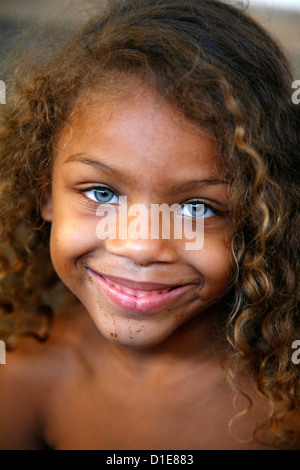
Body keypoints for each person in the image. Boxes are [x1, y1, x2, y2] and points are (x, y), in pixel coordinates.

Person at [0, 0, 299, 450]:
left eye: (196, 208)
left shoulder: (286, 401)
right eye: (102, 193)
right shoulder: (27, 378)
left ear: (260, 217)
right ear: (45, 190)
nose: (140, 246)